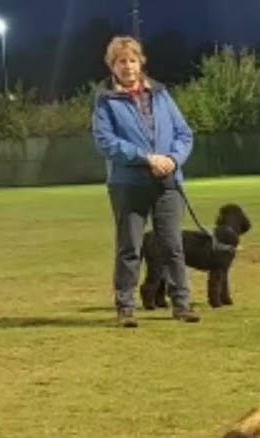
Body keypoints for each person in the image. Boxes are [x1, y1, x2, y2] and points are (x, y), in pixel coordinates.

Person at [91, 35, 200, 327]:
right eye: (120, 61)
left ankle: (182, 304)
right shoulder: (105, 101)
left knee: (172, 245)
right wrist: (146, 158)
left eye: (131, 60)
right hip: (128, 184)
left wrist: (172, 160)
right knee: (130, 247)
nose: (127, 66)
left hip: (168, 182)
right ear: (111, 66)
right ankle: (125, 307)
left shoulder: (162, 94)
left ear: (141, 62)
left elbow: (184, 134)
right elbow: (106, 143)